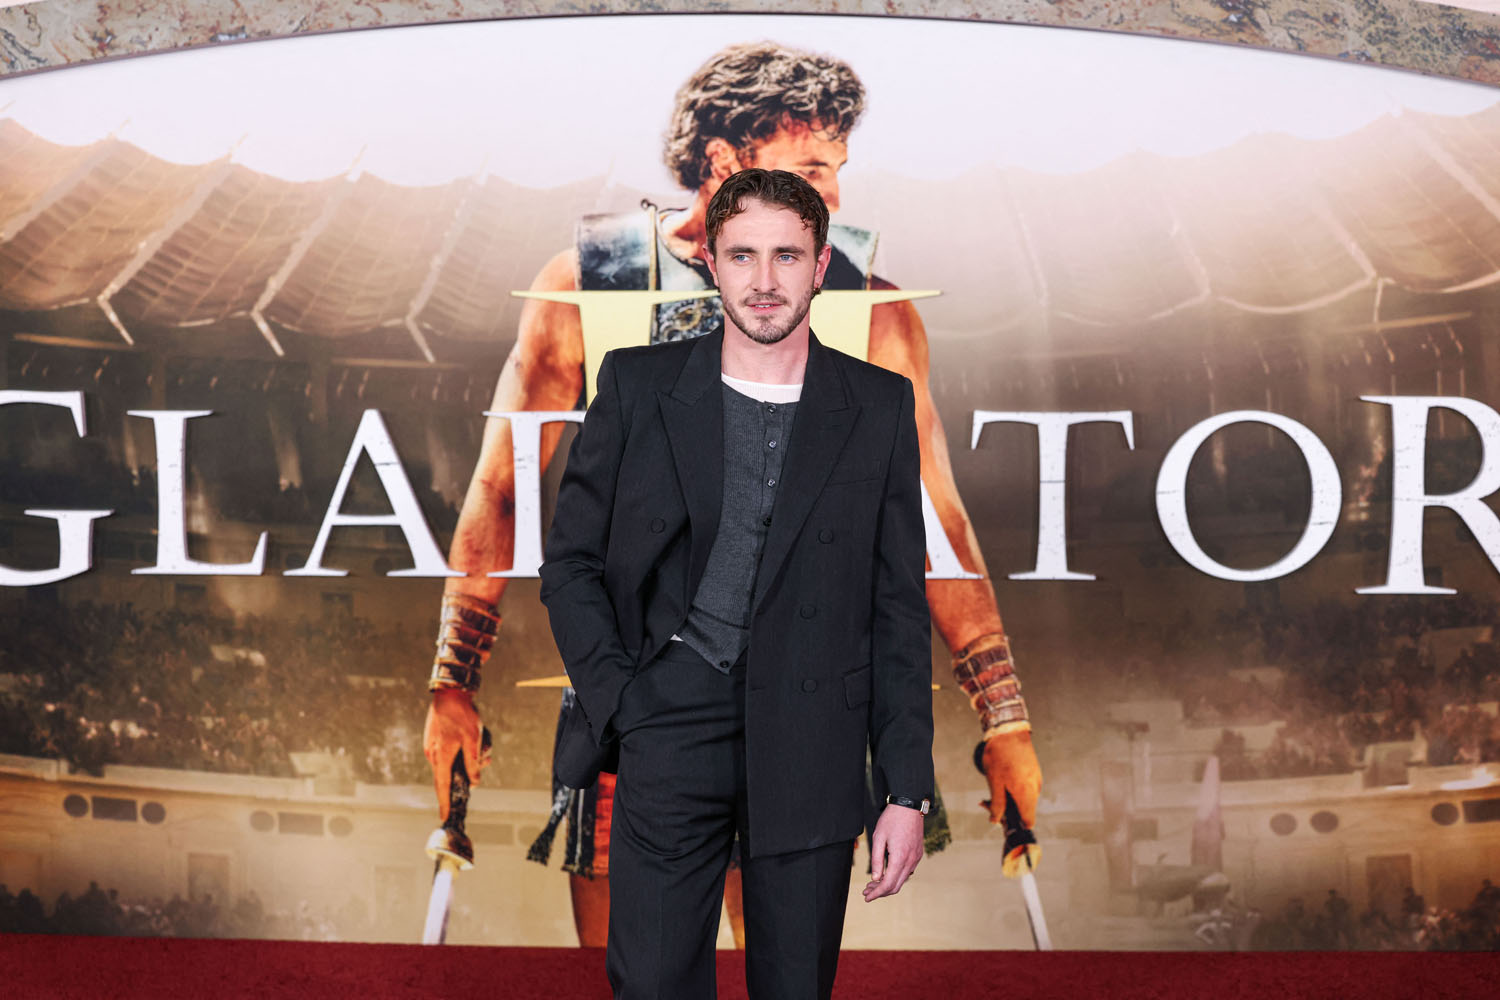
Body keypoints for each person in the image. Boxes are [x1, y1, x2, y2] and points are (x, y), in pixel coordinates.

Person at [422, 41, 1043, 942]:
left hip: (801, 699)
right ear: (723, 159)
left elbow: (931, 525)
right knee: (633, 974)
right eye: (812, 168)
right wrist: (453, 682)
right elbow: (503, 489)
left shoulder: (869, 303)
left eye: (837, 171)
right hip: (641, 700)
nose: (834, 195)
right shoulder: (590, 281)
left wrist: (1004, 714)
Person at [546, 166, 932, 997]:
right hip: (669, 722)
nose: (764, 281)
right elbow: (571, 563)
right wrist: (624, 701)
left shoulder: (878, 406)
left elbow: (898, 608)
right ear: (712, 264)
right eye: (743, 255)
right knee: (652, 985)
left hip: (814, 736)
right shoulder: (637, 385)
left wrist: (906, 790)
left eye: (786, 255)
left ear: (820, 266)